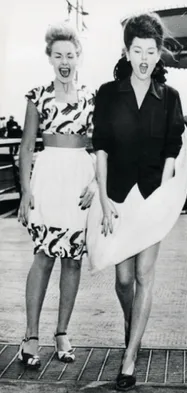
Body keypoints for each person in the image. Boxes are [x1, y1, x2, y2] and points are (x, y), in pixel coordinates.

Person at [87, 13, 187, 391]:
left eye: (151, 51)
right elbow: (100, 148)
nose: (144, 58)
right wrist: (103, 199)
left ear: (159, 52)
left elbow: (171, 149)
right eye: (137, 51)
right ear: (127, 51)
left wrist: (161, 200)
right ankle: (134, 328)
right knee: (123, 278)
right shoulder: (108, 94)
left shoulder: (170, 98)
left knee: (145, 276)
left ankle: (130, 355)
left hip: (152, 195)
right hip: (116, 195)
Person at [17, 24, 96, 369]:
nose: (65, 61)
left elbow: (103, 147)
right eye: (58, 55)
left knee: (73, 258)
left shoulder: (93, 98)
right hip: (48, 178)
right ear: (50, 58)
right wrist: (25, 192)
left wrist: (96, 184)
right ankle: (30, 336)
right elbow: (25, 148)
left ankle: (62, 332)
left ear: (79, 57)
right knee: (44, 256)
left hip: (80, 178)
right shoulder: (38, 96)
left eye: (70, 55)